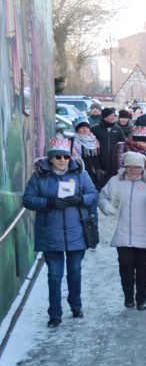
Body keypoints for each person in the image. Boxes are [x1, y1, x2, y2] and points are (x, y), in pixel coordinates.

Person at [21, 136, 98, 328]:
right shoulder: (40, 176)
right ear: (50, 159)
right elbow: (27, 199)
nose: (62, 160)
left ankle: (76, 306)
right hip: (50, 233)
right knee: (54, 275)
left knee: (75, 272)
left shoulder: (80, 174)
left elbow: (93, 194)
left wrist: (80, 200)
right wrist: (49, 203)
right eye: (58, 157)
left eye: (65, 157)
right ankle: (55, 313)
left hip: (76, 231)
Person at [98, 152, 146, 310]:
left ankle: (142, 299)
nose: (133, 170)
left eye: (136, 167)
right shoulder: (115, 181)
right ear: (124, 167)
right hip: (122, 232)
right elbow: (102, 196)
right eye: (129, 167)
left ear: (143, 168)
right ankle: (128, 297)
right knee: (125, 265)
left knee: (143, 267)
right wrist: (105, 206)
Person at [90, 107, 126, 190]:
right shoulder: (95, 129)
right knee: (101, 185)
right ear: (105, 117)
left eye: (114, 115)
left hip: (114, 163)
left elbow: (123, 144)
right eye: (111, 116)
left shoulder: (118, 129)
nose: (113, 117)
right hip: (100, 162)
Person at [71, 117, 103, 187]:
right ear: (77, 130)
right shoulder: (73, 141)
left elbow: (99, 156)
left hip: (94, 172)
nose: (85, 130)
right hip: (80, 170)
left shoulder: (95, 140)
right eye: (82, 128)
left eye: (87, 127)